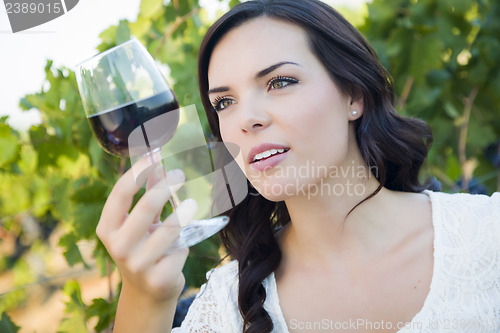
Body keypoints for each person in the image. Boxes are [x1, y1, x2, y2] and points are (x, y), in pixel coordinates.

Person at [96, 0, 500, 332]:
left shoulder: (489, 236)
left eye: (279, 82)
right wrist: (146, 301)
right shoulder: (225, 310)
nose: (246, 118)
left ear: (353, 96)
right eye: (224, 102)